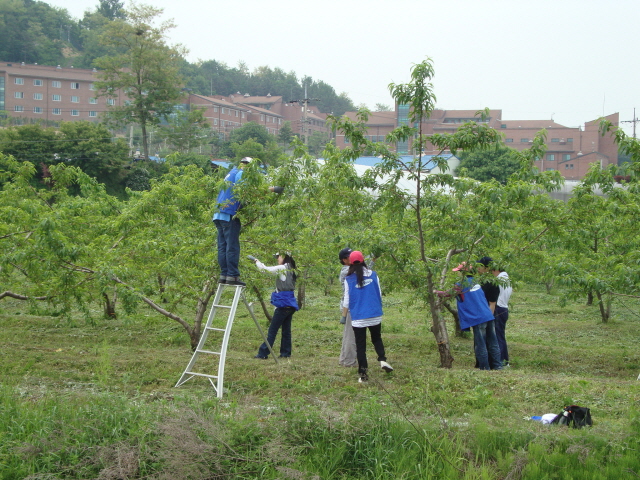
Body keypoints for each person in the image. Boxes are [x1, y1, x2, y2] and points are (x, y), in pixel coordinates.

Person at [213, 157, 283, 287]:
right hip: (229, 214)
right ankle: (232, 276)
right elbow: (246, 192)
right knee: (231, 247)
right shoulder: (242, 173)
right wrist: (273, 189)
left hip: (218, 214)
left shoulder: (231, 173)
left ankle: (224, 275)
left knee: (222, 246)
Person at [342, 251, 393, 383]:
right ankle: (382, 360)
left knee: (361, 346)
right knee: (376, 338)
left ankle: (363, 375)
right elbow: (379, 294)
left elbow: (347, 301)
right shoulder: (374, 275)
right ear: (363, 260)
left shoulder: (348, 279)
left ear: (350, 262)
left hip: (358, 317)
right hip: (374, 314)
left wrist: (343, 316)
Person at [443, 262, 502, 370]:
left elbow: (448, 294)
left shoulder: (461, 284)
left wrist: (435, 292)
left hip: (478, 318)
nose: (458, 274)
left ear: (464, 272)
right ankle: (498, 366)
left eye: (459, 272)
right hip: (488, 315)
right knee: (493, 342)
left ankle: (485, 368)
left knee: (480, 344)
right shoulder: (477, 283)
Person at [251, 253, 299, 359]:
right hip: (290, 304)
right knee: (286, 330)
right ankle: (285, 353)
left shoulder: (282, 268)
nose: (277, 259)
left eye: (279, 257)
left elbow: (265, 270)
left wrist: (256, 261)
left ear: (285, 257)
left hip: (283, 304)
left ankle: (263, 353)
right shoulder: (292, 269)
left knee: (272, 330)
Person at [338, 248, 357, 367]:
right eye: (350, 256)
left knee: (348, 335)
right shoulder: (346, 271)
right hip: (348, 306)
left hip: (350, 306)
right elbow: (363, 270)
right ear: (344, 260)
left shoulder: (352, 269)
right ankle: (349, 362)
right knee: (351, 336)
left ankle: (344, 359)